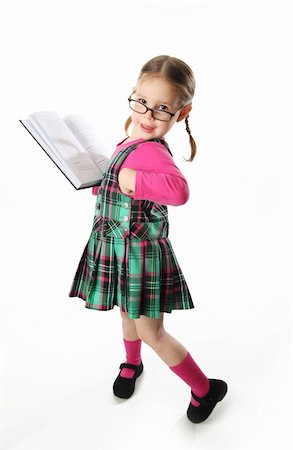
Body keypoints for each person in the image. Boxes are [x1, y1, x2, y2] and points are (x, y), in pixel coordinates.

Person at [69, 55, 227, 423]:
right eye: (141, 102)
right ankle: (131, 363)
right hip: (118, 245)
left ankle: (205, 390)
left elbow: (179, 190)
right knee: (126, 313)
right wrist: (104, 186)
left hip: (140, 255)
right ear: (133, 94)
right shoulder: (133, 138)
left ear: (181, 113)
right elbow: (123, 190)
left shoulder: (153, 150)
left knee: (152, 331)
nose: (148, 115)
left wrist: (133, 182)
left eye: (161, 109)